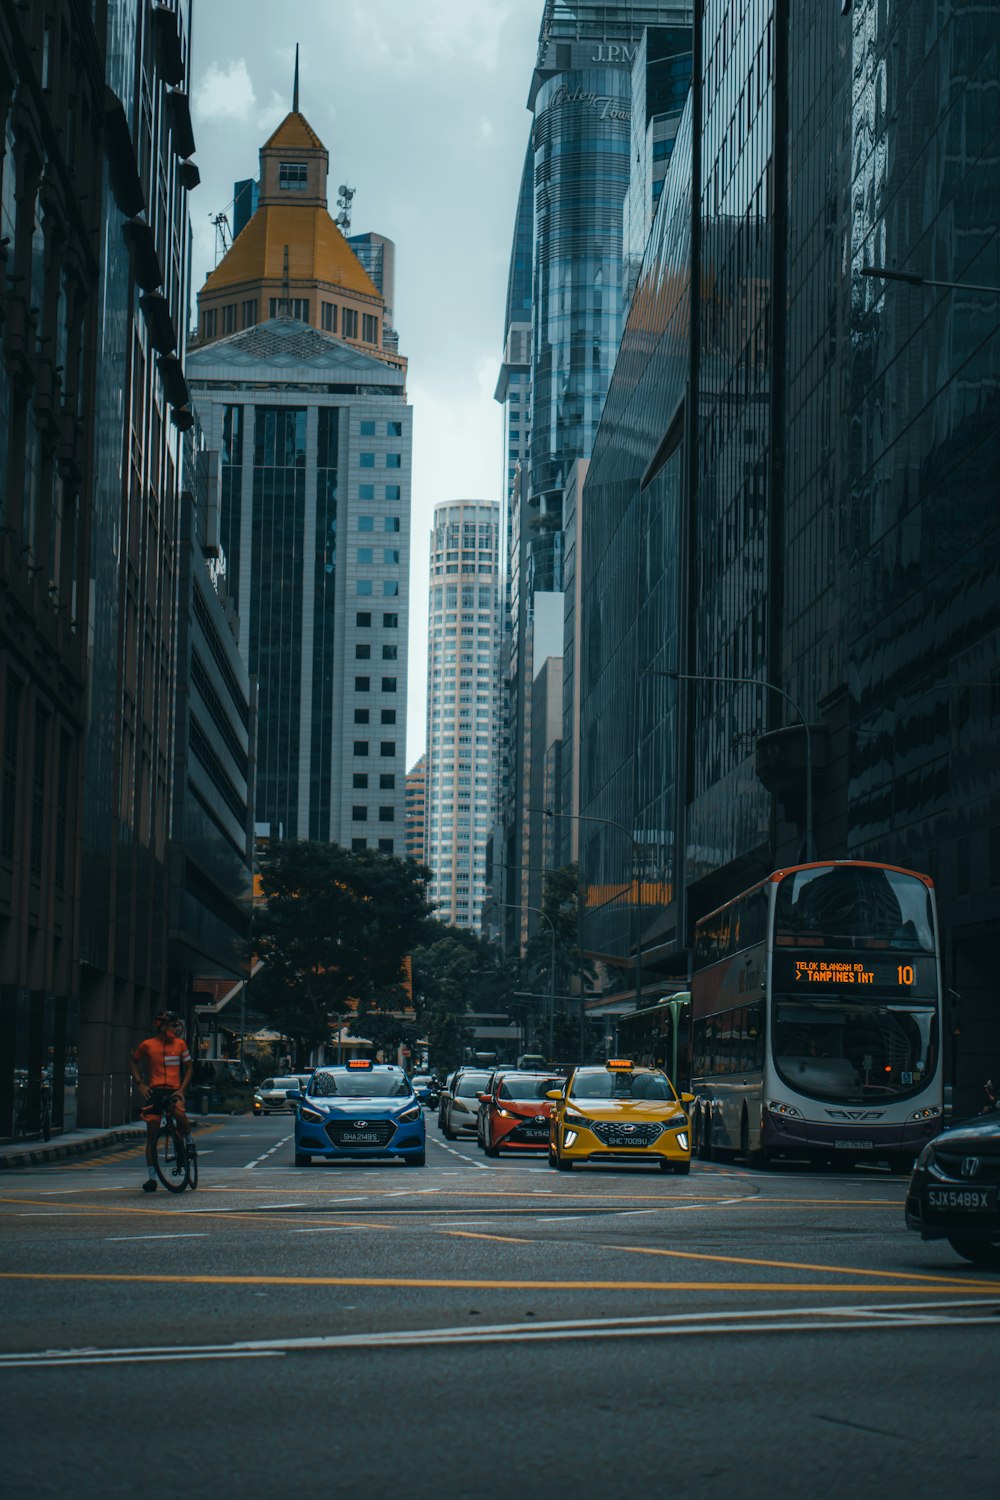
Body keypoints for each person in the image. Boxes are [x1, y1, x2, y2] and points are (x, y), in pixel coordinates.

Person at [130, 1010, 194, 1192]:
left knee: (180, 1114)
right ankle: (152, 1178)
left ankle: (188, 1141)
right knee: (152, 1135)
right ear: (164, 1027)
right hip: (155, 1091)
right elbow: (133, 1061)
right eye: (174, 1025)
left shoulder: (180, 1044)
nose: (177, 1028)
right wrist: (140, 1083)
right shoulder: (148, 1045)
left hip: (174, 1089)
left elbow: (189, 1067)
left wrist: (182, 1089)